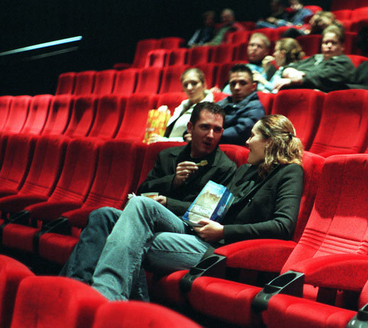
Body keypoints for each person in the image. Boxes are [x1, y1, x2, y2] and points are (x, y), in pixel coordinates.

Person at [88, 114, 305, 301]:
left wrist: (223, 231)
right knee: (137, 204)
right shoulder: (246, 170)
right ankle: (119, 300)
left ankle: (104, 299)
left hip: (221, 248)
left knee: (127, 238)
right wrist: (168, 202)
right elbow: (209, 207)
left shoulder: (290, 172)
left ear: (268, 142)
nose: (247, 142)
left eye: (252, 136)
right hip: (197, 230)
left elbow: (283, 225)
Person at [60, 102, 237, 286]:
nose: (210, 135)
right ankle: (77, 285)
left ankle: (99, 292)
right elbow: (143, 190)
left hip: (184, 228)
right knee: (102, 215)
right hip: (147, 218)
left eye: (217, 130)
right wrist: (173, 181)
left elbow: (206, 214)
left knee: (137, 216)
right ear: (190, 128)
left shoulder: (225, 167)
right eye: (205, 127)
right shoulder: (168, 155)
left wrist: (168, 202)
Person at [274, 25, 355, 93]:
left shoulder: (344, 62)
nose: (329, 46)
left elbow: (323, 77)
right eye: (325, 42)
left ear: (342, 46)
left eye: (334, 43)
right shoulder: (315, 58)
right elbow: (290, 67)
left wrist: (297, 80)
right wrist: (290, 72)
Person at [149, 68, 215, 143]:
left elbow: (193, 140)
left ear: (204, 85)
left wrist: (164, 141)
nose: (189, 88)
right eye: (185, 85)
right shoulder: (183, 106)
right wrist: (164, 117)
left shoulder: (208, 110)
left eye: (194, 83)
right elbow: (174, 131)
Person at [217, 64, 266, 145]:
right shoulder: (222, 103)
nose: (237, 87)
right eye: (233, 83)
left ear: (253, 86)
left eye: (242, 83)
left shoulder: (255, 107)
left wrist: (209, 136)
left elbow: (241, 132)